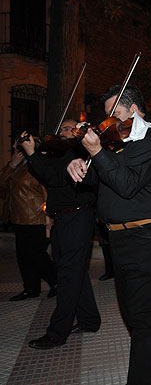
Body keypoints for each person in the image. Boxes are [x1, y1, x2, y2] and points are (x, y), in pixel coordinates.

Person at [66, 84, 151, 385]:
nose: (107, 122)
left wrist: (96, 151)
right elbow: (103, 177)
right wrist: (82, 164)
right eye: (106, 116)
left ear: (133, 109)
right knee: (138, 316)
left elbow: (127, 184)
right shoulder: (120, 142)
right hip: (123, 241)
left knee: (147, 319)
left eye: (112, 114)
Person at [20, 120, 100, 350]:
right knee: (76, 274)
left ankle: (57, 333)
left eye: (68, 128)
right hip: (62, 219)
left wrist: (32, 153)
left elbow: (54, 178)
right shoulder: (58, 153)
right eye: (62, 128)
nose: (62, 132)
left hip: (77, 217)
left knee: (67, 277)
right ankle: (89, 320)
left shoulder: (78, 152)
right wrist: (34, 151)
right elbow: (44, 173)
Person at [0, 142, 56, 301]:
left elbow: (47, 192)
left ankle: (56, 282)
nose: (15, 149)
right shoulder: (16, 167)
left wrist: (49, 217)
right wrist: (12, 164)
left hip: (36, 217)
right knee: (23, 257)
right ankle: (31, 288)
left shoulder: (36, 165)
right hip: (18, 217)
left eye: (19, 146)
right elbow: (2, 183)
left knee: (37, 255)